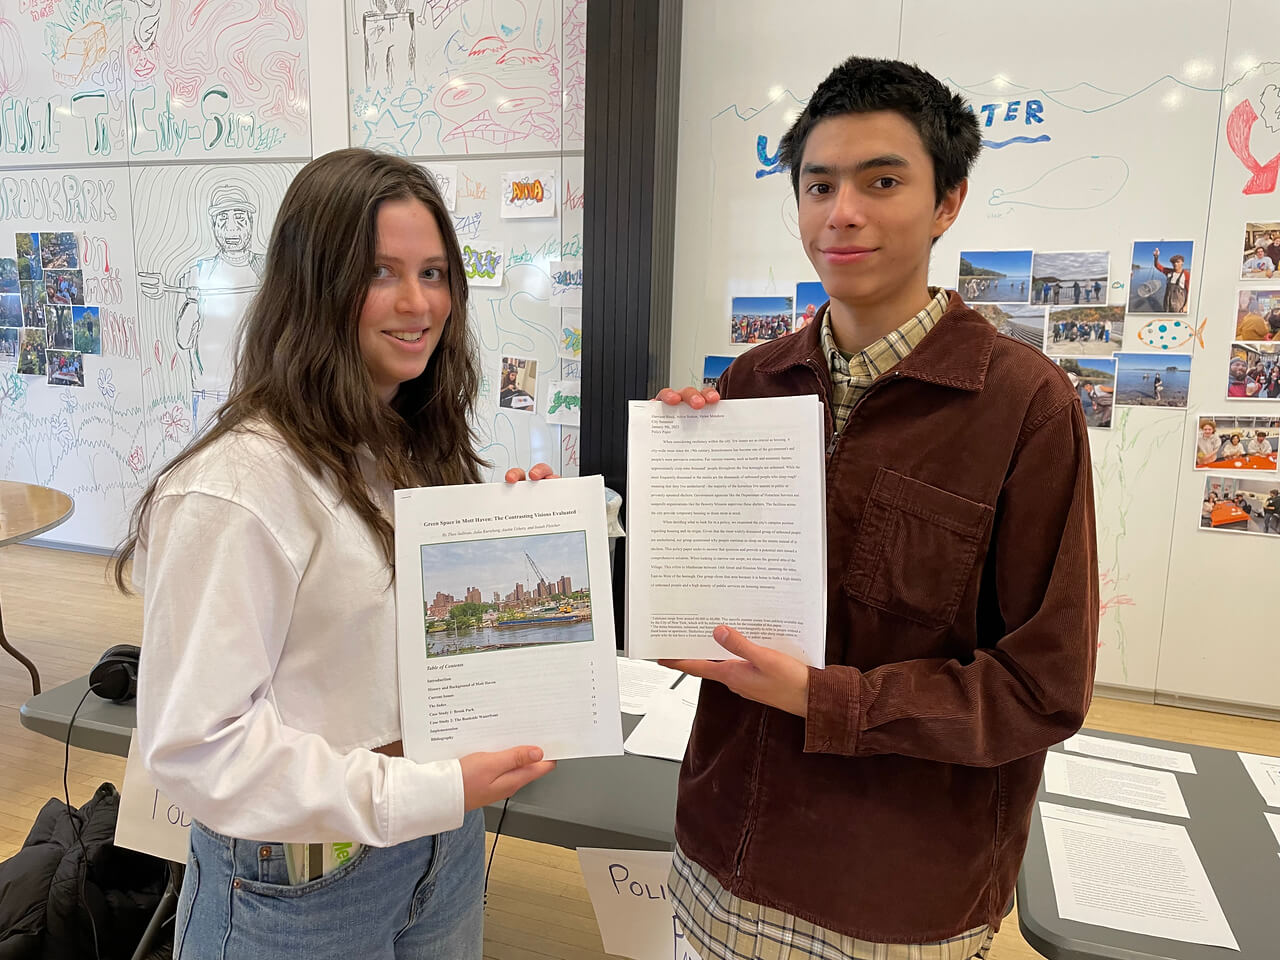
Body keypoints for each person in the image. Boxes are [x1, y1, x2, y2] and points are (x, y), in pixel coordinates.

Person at [656, 57, 1096, 960]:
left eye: (882, 181)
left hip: (893, 892)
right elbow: (713, 615)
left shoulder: (1023, 405)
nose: (841, 212)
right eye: (819, 185)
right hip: (717, 846)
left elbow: (1041, 690)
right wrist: (675, 482)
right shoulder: (752, 381)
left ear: (948, 203)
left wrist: (833, 701)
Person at [113, 150, 557, 959]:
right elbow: (195, 749)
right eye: (381, 273)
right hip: (303, 880)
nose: (418, 303)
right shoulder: (236, 487)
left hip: (443, 843)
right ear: (314, 286)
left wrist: (507, 542)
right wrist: (420, 790)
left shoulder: (413, 447)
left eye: (433, 272)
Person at [139, 183, 268, 431]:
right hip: (210, 395)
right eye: (223, 219)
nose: (232, 228)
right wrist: (192, 301)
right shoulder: (197, 273)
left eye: (240, 218)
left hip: (261, 395)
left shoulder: (268, 269)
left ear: (251, 222)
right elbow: (184, 340)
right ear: (213, 226)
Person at [1152, 248, 1189, 313]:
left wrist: (1186, 306)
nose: (1175, 264)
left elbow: (1189, 291)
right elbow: (1157, 266)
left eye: (1178, 262)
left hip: (1179, 304)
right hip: (1167, 301)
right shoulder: (1169, 272)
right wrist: (1156, 257)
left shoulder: (1186, 274)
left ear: (1182, 262)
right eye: (1173, 262)